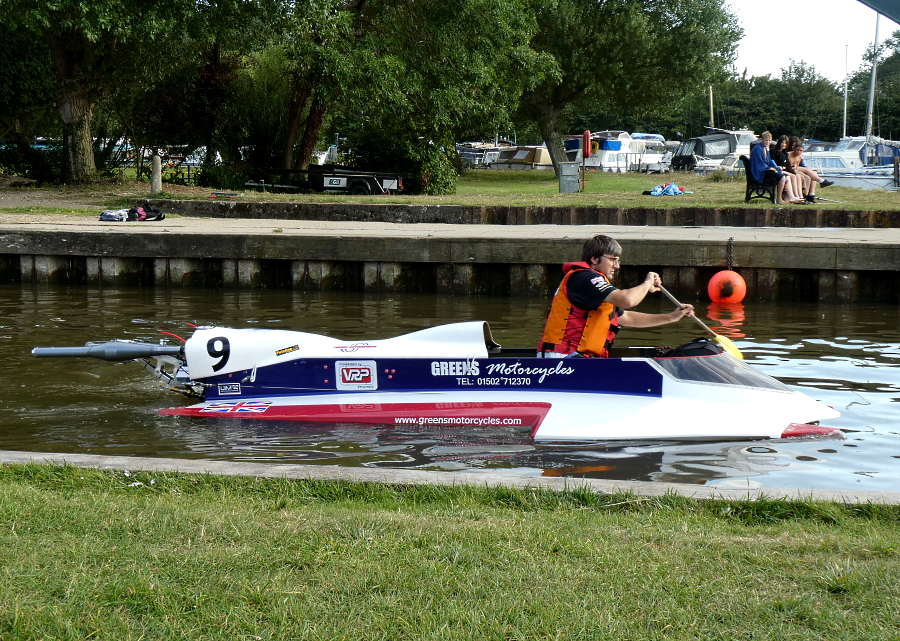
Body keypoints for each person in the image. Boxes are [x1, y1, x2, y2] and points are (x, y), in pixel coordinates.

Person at [538, 234, 694, 358]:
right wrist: (647, 283)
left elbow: (627, 318)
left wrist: (671, 317)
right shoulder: (585, 278)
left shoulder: (595, 284)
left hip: (581, 358)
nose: (617, 266)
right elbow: (627, 300)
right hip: (562, 357)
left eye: (618, 261)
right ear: (594, 259)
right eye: (612, 260)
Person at [750, 131, 804, 204]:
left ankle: (792, 197)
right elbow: (759, 163)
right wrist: (769, 168)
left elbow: (768, 161)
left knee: (787, 176)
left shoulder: (765, 148)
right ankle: (779, 199)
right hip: (761, 172)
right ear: (762, 140)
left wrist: (775, 167)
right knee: (781, 177)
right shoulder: (758, 149)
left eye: (769, 140)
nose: (768, 142)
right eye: (766, 140)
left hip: (767, 170)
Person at [788, 136, 834, 201]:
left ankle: (811, 194)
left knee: (814, 173)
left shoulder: (800, 157)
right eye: (797, 149)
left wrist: (809, 170)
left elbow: (802, 165)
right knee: (808, 173)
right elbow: (789, 166)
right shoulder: (788, 155)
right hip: (791, 170)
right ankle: (821, 181)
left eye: (800, 150)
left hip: (797, 169)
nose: (799, 152)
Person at [771, 135, 811, 201]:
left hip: (785, 169)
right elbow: (774, 163)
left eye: (785, 143)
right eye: (782, 142)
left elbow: (787, 165)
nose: (783, 144)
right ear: (779, 142)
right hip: (777, 170)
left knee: (797, 176)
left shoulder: (784, 153)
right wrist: (782, 167)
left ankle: (800, 196)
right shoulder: (774, 151)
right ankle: (794, 196)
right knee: (793, 176)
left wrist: (792, 171)